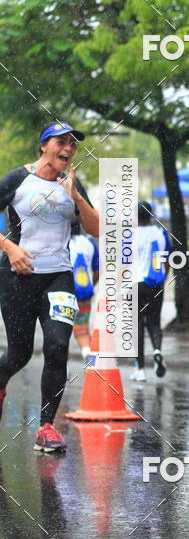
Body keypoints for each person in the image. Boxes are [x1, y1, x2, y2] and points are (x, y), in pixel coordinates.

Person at [0, 122, 99, 452]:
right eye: (62, 142)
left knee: (57, 346)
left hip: (59, 276)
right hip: (18, 276)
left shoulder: (71, 183)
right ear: (43, 146)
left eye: (72, 144)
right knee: (19, 353)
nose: (69, 149)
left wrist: (76, 197)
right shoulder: (18, 179)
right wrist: (10, 248)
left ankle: (46, 427)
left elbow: (97, 228)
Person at [132, 201, 171, 383]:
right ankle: (157, 351)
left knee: (137, 325)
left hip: (136, 284)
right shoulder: (161, 233)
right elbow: (169, 259)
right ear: (151, 214)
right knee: (154, 321)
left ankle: (140, 369)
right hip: (156, 283)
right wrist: (163, 277)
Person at [69, 220, 99, 363]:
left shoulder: (60, 243)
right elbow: (97, 269)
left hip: (63, 294)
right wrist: (91, 285)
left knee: (59, 332)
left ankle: (63, 368)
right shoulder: (89, 243)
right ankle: (87, 353)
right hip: (84, 293)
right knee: (82, 328)